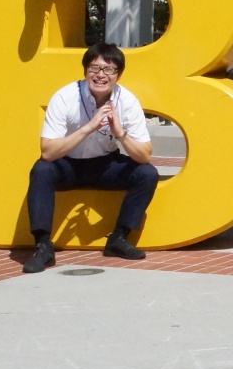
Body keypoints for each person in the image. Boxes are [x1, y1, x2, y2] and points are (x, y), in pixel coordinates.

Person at [22, 42, 156, 273]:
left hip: (104, 164)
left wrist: (120, 133)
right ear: (85, 71)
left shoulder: (127, 101)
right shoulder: (65, 97)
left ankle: (119, 238)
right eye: (94, 69)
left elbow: (144, 155)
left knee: (146, 174)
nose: (100, 75)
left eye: (109, 70)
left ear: (118, 75)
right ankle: (43, 246)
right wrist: (89, 128)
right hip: (67, 164)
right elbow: (48, 152)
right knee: (41, 170)